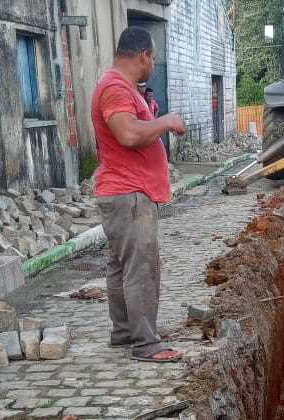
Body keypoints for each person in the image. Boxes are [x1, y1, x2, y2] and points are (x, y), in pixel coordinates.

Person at [93, 27, 186, 363]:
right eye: (153, 59)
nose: (153, 65)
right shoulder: (116, 88)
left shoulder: (122, 88)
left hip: (123, 192)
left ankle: (124, 332)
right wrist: (166, 122)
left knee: (120, 267)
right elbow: (129, 134)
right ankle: (146, 343)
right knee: (141, 267)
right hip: (129, 193)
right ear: (144, 55)